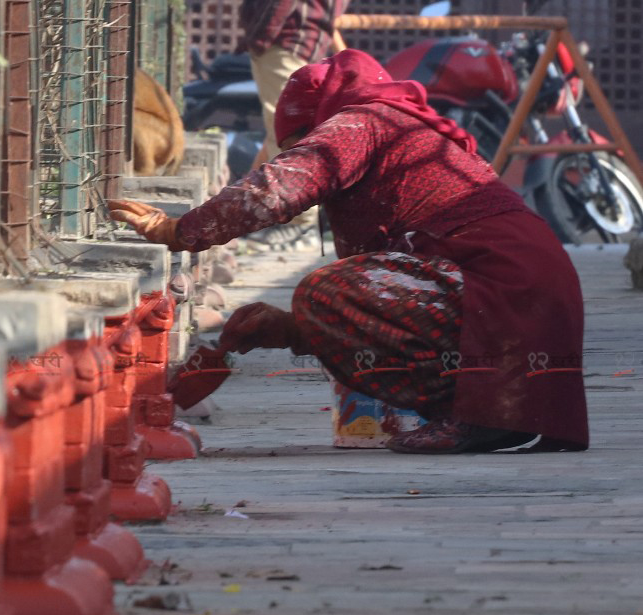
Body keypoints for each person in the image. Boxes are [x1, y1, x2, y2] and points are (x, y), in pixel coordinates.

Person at [108, 49, 588, 454]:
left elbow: (277, 189)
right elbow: (389, 301)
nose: (299, 154)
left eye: (299, 144)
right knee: (330, 296)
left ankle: (474, 414)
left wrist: (178, 230)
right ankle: (487, 411)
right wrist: (294, 331)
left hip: (507, 285)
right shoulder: (396, 128)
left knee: (323, 289)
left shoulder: (362, 121)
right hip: (525, 288)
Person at [239, 0, 349, 249]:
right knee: (283, 131)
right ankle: (294, 220)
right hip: (290, 38)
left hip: (285, 39)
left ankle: (299, 225)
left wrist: (264, 33)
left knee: (290, 133)